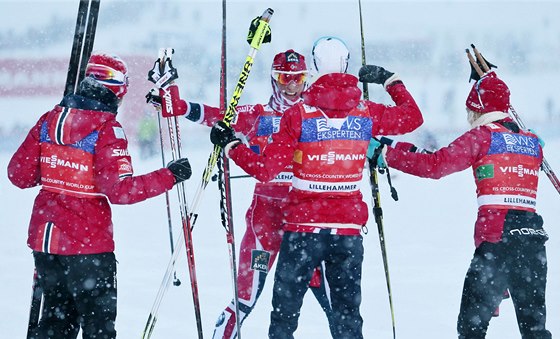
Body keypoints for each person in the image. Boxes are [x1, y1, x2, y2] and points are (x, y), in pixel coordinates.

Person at [209, 36, 423, 338]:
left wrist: (231, 146)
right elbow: (413, 117)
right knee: (346, 319)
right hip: (345, 234)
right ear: (346, 65)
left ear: (313, 70)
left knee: (284, 320)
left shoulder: (297, 115)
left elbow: (266, 169)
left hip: (302, 232)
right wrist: (391, 81)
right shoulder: (365, 111)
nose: (291, 85)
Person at [7, 52, 192, 339]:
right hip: (88, 247)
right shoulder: (107, 128)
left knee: (56, 323)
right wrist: (169, 176)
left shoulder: (50, 118)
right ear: (117, 90)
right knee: (99, 329)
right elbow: (121, 190)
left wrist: (59, 168)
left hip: (46, 243)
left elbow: (18, 174)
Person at [372, 71, 552, 338]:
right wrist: (394, 148)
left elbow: (435, 165)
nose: (468, 118)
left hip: (497, 244)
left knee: (471, 328)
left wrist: (384, 154)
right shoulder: (533, 142)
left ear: (477, 110)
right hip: (533, 242)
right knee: (534, 331)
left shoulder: (481, 136)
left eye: (470, 111)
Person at [171, 49, 335, 339]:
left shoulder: (317, 115)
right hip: (267, 221)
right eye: (285, 78)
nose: (293, 85)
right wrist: (181, 107)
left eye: (299, 78)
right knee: (245, 297)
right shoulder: (259, 115)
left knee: (333, 303)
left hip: (307, 217)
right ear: (274, 79)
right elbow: (219, 117)